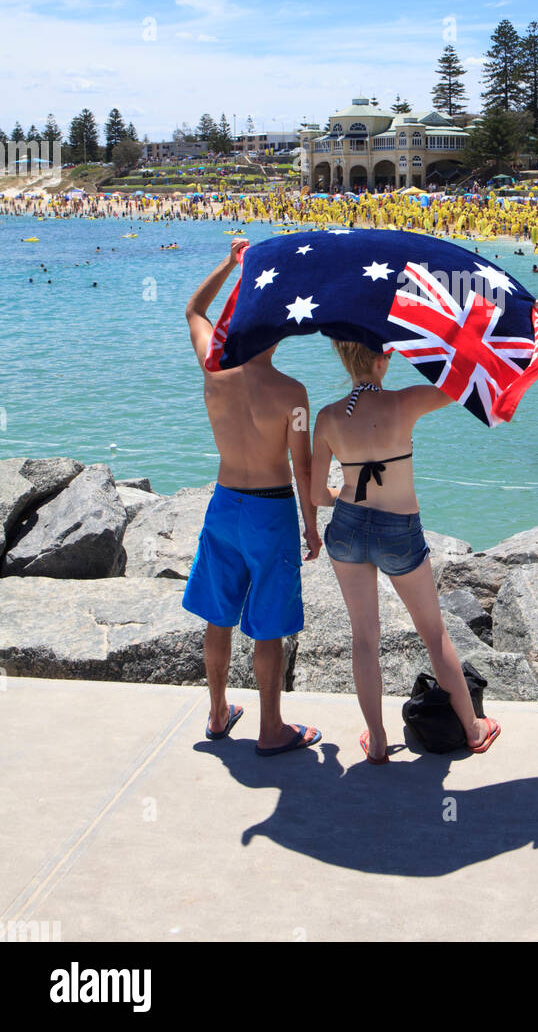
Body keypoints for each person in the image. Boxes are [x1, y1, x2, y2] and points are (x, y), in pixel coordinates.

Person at [311, 342, 499, 763]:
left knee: (364, 637)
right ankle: (472, 729)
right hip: (398, 532)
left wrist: (348, 488)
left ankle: (377, 741)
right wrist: (463, 341)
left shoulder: (325, 417)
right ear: (383, 359)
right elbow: (463, 385)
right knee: (433, 633)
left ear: (344, 360)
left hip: (346, 529)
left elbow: (315, 495)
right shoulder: (405, 401)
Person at [181, 240, 322, 757]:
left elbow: (194, 310)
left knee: (218, 616)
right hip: (271, 510)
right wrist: (311, 525)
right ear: (278, 331)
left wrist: (230, 263)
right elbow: (301, 466)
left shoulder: (212, 370)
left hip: (224, 504)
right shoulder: (293, 394)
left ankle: (218, 714)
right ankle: (271, 730)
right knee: (269, 623)